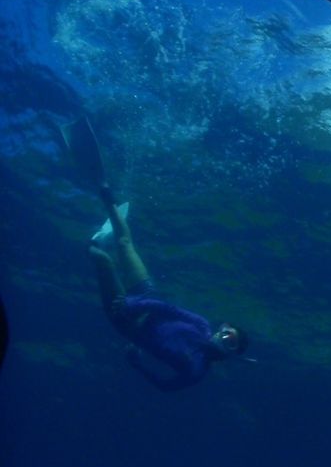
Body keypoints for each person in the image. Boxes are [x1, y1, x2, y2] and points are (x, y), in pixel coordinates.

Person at [62, 115, 251, 391]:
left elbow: (168, 386)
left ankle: (95, 243)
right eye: (226, 331)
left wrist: (136, 363)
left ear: (231, 353)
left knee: (101, 257)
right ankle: (104, 191)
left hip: (125, 323)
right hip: (145, 300)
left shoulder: (196, 370)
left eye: (229, 341)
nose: (223, 336)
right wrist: (134, 304)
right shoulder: (199, 325)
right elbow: (167, 308)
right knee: (126, 243)